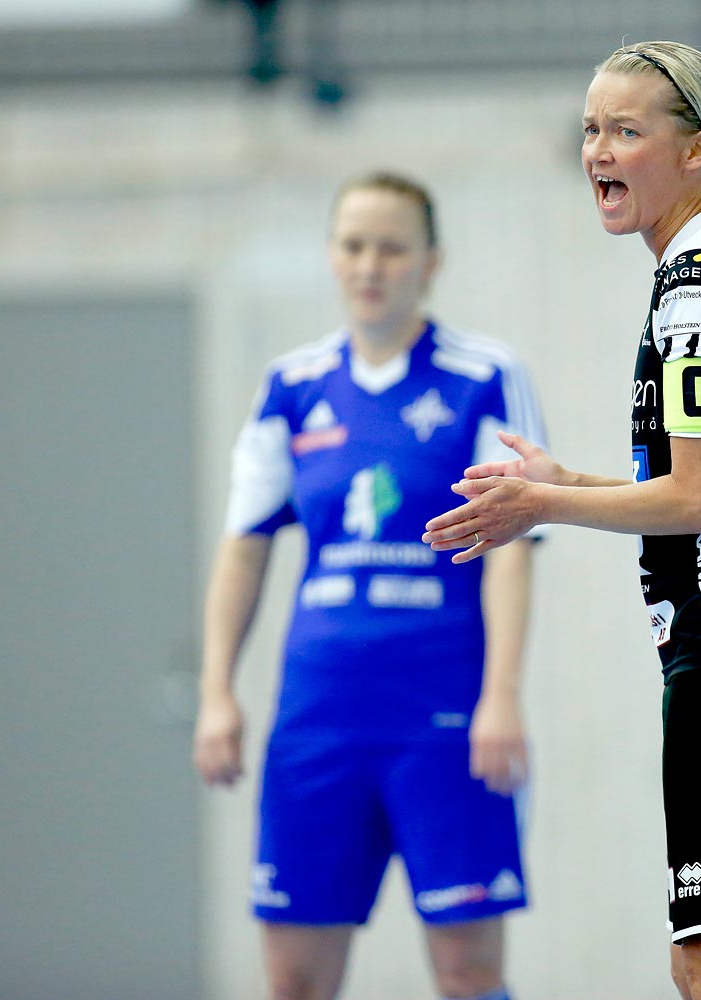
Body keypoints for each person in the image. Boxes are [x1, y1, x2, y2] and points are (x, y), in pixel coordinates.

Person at [422, 41, 701, 1000]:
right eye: (589, 129)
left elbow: (700, 501)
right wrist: (568, 479)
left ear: (696, 148)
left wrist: (540, 505)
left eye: (627, 130)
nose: (599, 152)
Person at [192, 171, 546, 1000]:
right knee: (295, 978)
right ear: (331, 256)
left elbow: (514, 549)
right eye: (353, 245)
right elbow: (243, 546)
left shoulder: (485, 376)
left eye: (392, 247)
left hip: (445, 721)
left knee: (468, 970)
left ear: (431, 261)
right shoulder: (292, 386)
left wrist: (502, 695)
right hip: (318, 722)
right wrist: (218, 692)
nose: (370, 265)